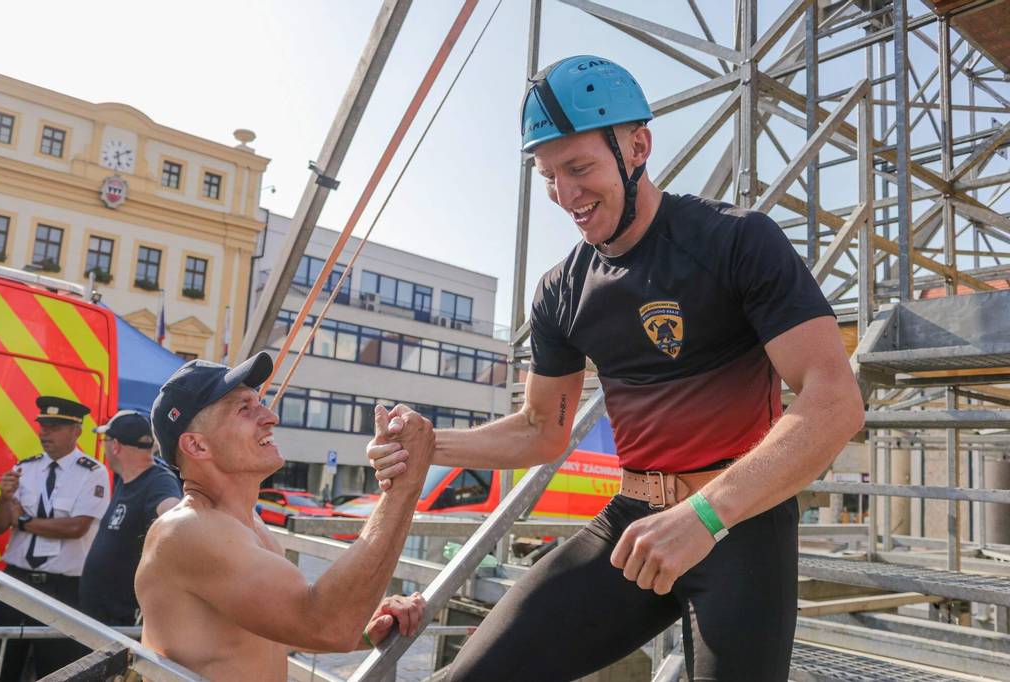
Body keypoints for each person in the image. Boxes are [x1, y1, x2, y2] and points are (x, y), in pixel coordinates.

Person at [368, 55, 865, 681]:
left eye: (579, 168)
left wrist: (705, 515)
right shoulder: (561, 291)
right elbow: (541, 430)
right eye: (548, 176)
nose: (565, 194)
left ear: (637, 148)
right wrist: (428, 447)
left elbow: (834, 403)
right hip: (633, 520)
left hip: (742, 523)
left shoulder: (736, 240)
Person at [135, 352, 432, 681]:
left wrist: (365, 631)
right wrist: (404, 485)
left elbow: (277, 624)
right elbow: (326, 625)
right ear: (197, 446)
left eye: (260, 403)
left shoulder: (247, 524)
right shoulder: (187, 531)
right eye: (244, 408)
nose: (271, 417)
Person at [0, 396, 111, 680]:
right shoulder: (25, 468)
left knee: (56, 669)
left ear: (76, 431)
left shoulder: (92, 473)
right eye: (43, 426)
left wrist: (23, 521)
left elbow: (75, 528)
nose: (45, 433)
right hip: (15, 582)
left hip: (62, 589)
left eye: (54, 427)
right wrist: (4, 499)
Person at [79, 410, 182, 626]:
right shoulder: (127, 479)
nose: (104, 447)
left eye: (105, 441)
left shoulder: (159, 481)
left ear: (115, 446)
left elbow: (174, 513)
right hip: (101, 618)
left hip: (122, 622)